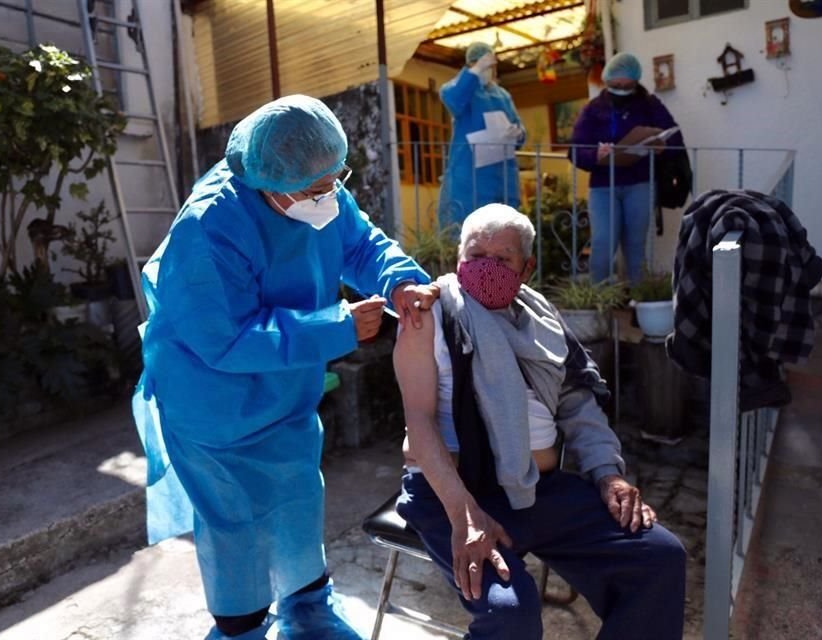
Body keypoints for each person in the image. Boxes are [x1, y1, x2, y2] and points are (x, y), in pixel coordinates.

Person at [132, 94, 438, 640]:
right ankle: (240, 626)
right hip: (214, 407)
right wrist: (338, 326)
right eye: (316, 188)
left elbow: (361, 243)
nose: (330, 196)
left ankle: (307, 606)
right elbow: (225, 339)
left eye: (335, 180)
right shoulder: (209, 228)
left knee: (298, 499)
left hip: (284, 396)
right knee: (235, 528)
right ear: (268, 181)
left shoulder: (316, 187)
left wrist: (400, 280)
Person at [393, 203, 687, 639]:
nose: (486, 268)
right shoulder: (429, 314)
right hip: (453, 495)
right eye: (476, 257)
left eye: (502, 259)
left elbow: (578, 403)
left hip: (536, 491)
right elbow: (418, 423)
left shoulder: (542, 320)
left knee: (658, 556)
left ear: (526, 267)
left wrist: (608, 475)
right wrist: (465, 513)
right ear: (458, 259)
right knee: (509, 614)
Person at [568, 52, 685, 283]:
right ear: (606, 81)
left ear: (636, 82)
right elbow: (575, 151)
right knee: (603, 241)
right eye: (615, 85)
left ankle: (638, 302)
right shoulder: (593, 109)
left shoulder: (649, 104)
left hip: (640, 183)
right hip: (604, 185)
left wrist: (662, 145)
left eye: (627, 85)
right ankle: (598, 299)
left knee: (636, 245)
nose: (621, 89)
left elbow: (674, 135)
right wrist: (595, 154)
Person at [438, 42, 526, 228]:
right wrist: (475, 72)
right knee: (470, 231)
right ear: (471, 65)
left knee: (502, 232)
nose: (488, 71)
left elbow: (519, 129)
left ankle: (495, 259)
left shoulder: (502, 95)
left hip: (503, 177)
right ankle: (479, 259)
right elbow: (453, 100)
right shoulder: (460, 90)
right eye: (482, 66)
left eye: (490, 67)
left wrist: (517, 134)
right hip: (469, 176)